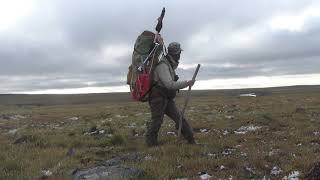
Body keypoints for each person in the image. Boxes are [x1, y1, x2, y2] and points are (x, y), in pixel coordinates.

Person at [145, 41, 196, 146]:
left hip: (166, 97)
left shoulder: (169, 63)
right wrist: (187, 83)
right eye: (179, 53)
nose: (180, 55)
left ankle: (191, 140)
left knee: (179, 118)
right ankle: (151, 145)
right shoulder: (162, 65)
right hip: (157, 97)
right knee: (157, 121)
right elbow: (169, 85)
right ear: (175, 53)